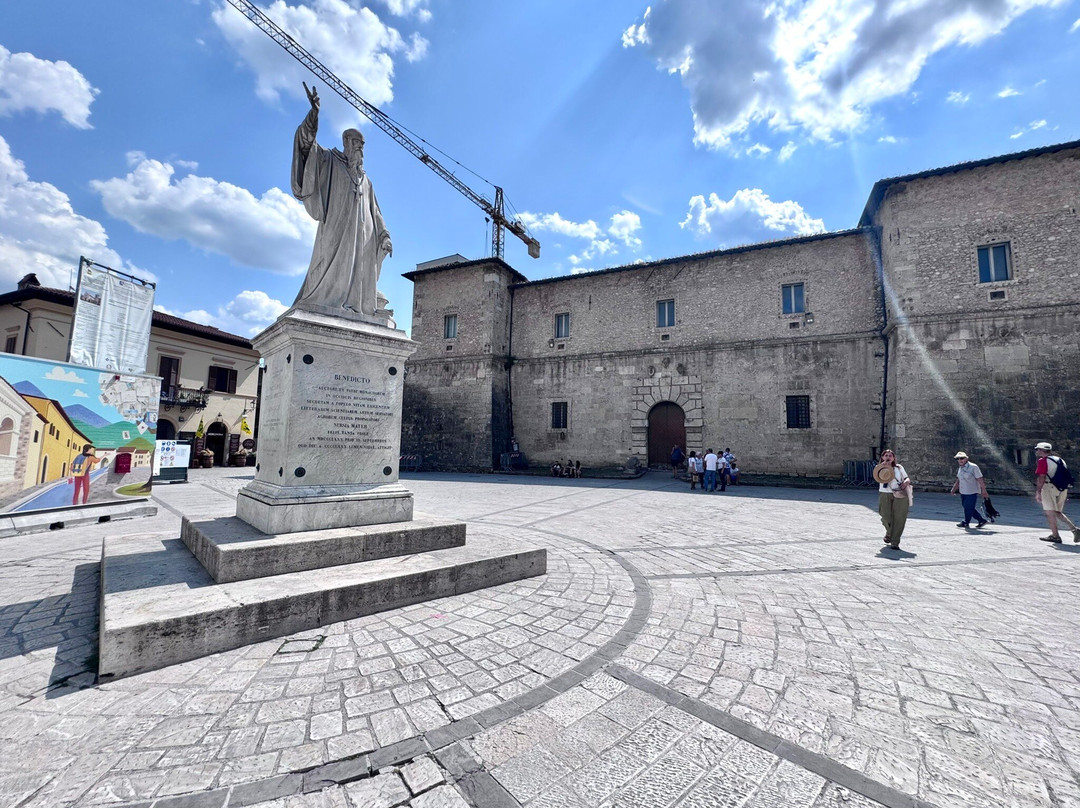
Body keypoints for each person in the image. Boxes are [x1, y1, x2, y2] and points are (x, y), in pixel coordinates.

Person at [292, 83, 393, 318]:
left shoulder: (366, 180)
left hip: (363, 237)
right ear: (346, 142)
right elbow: (306, 146)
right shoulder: (330, 160)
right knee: (328, 265)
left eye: (363, 145)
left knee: (359, 272)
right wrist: (313, 116)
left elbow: (376, 212)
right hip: (336, 229)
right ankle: (326, 299)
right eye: (357, 143)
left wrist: (384, 234)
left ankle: (355, 305)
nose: (361, 149)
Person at [1034, 441, 1080, 543]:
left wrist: (1038, 491)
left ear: (1041, 450)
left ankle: (1060, 534)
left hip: (1049, 487)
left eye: (1037, 449)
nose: (1036, 451)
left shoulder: (1043, 461)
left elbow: (1042, 477)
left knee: (1050, 512)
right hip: (1062, 489)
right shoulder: (1060, 460)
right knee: (1056, 512)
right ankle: (1069, 531)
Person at [877, 449, 912, 549]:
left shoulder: (899, 467)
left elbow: (907, 478)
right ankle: (889, 532)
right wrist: (885, 466)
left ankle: (895, 541)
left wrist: (906, 482)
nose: (888, 457)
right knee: (885, 516)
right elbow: (877, 478)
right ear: (882, 457)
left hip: (899, 493)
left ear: (893, 458)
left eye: (890, 456)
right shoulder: (878, 468)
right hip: (885, 493)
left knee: (899, 518)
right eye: (886, 455)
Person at [949, 451, 987, 529]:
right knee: (968, 508)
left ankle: (966, 522)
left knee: (968, 507)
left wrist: (983, 490)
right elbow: (958, 480)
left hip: (971, 491)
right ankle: (981, 520)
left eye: (962, 458)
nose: (960, 460)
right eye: (958, 459)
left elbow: (980, 479)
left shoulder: (973, 467)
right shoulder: (960, 468)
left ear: (966, 458)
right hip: (963, 491)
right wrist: (954, 489)